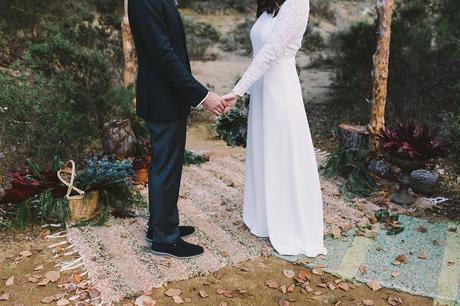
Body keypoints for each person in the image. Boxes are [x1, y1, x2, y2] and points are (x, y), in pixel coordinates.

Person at [222, 0, 327, 257]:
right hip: (261, 90)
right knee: (263, 152)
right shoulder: (270, 4)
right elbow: (257, 50)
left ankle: (291, 225)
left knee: (282, 154)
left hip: (280, 89)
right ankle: (264, 218)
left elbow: (270, 53)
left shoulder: (298, 2)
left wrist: (238, 90)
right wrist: (249, 92)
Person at [128, 0, 227, 259]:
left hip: (169, 98)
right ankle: (164, 239)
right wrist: (202, 95)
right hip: (162, 99)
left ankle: (160, 225)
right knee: (165, 167)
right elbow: (163, 55)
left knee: (167, 165)